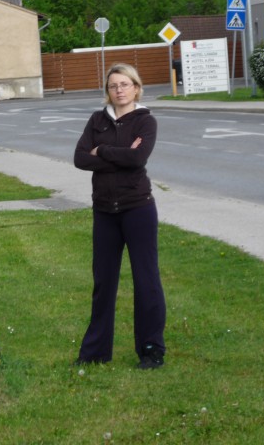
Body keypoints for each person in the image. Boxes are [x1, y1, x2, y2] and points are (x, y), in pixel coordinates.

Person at [74, 63, 166, 370]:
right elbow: (79, 158)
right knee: (103, 282)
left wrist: (102, 151)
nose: (119, 90)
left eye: (125, 84)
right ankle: (95, 352)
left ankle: (151, 350)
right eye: (113, 86)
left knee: (146, 280)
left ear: (136, 88)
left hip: (137, 208)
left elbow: (138, 158)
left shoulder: (145, 121)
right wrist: (120, 153)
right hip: (104, 212)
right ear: (108, 91)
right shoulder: (97, 119)